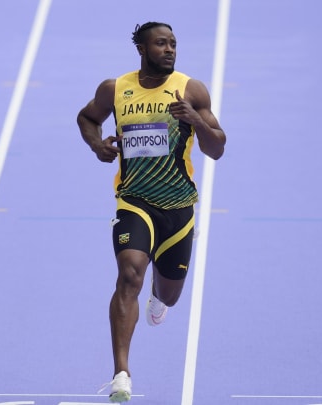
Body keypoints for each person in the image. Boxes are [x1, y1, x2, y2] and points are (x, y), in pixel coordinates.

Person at [77, 22, 226, 402]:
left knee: (170, 295)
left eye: (174, 43)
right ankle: (121, 374)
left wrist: (194, 119)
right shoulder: (115, 89)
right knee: (129, 275)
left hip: (178, 209)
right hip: (134, 201)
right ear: (142, 49)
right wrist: (97, 146)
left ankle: (159, 298)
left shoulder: (190, 90)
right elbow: (87, 117)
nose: (170, 49)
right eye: (161, 44)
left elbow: (217, 147)